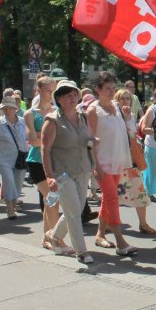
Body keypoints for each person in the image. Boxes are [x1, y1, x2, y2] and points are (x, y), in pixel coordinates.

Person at [41, 80, 96, 264]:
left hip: (82, 170)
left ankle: (54, 236)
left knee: (77, 209)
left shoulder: (83, 117)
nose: (72, 98)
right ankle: (81, 251)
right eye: (67, 95)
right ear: (59, 99)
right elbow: (45, 150)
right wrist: (49, 176)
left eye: (74, 94)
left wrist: (92, 140)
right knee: (73, 212)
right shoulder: (52, 120)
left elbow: (86, 138)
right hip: (62, 174)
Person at [86, 71, 138, 256]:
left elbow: (130, 131)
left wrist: (127, 117)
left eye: (113, 88)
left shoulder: (116, 106)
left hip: (118, 160)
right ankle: (120, 241)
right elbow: (89, 141)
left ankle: (100, 234)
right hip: (103, 163)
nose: (111, 91)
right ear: (97, 89)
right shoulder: (93, 110)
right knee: (112, 199)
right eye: (107, 88)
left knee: (108, 199)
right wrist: (95, 165)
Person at [24, 76, 70, 250]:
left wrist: (41, 135)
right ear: (39, 90)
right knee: (52, 199)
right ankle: (56, 237)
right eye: (48, 90)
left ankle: (47, 237)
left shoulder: (57, 112)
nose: (51, 94)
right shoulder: (30, 113)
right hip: (36, 161)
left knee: (49, 200)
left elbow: (61, 138)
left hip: (54, 161)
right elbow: (32, 140)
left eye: (53, 90)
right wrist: (48, 137)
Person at [114, 88, 155, 234]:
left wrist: (127, 119)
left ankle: (143, 224)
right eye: (122, 99)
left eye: (128, 99)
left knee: (139, 191)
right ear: (116, 101)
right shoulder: (113, 115)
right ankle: (109, 223)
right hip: (117, 161)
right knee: (114, 195)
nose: (125, 101)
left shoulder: (130, 115)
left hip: (132, 160)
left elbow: (132, 134)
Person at [0, 96, 27, 219]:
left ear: (15, 109)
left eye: (10, 108)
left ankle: (13, 203)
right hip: (3, 159)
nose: (7, 110)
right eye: (5, 108)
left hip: (20, 158)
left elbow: (27, 138)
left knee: (18, 183)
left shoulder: (22, 122)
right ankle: (10, 208)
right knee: (9, 181)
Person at [140, 87, 156, 203]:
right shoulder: (152, 109)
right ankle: (148, 192)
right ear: (155, 98)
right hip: (152, 144)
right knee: (150, 169)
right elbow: (144, 128)